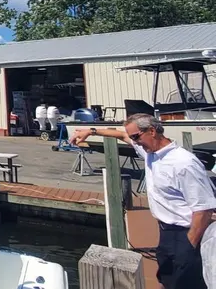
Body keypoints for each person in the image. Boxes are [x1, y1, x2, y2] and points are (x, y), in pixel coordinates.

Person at [71, 113, 216, 289]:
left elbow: (204, 210)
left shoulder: (183, 163)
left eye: (136, 137)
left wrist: (188, 247)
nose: (134, 141)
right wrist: (91, 131)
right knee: (167, 278)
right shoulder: (151, 153)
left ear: (152, 131)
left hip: (187, 233)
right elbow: (122, 135)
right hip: (166, 232)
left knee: (186, 282)